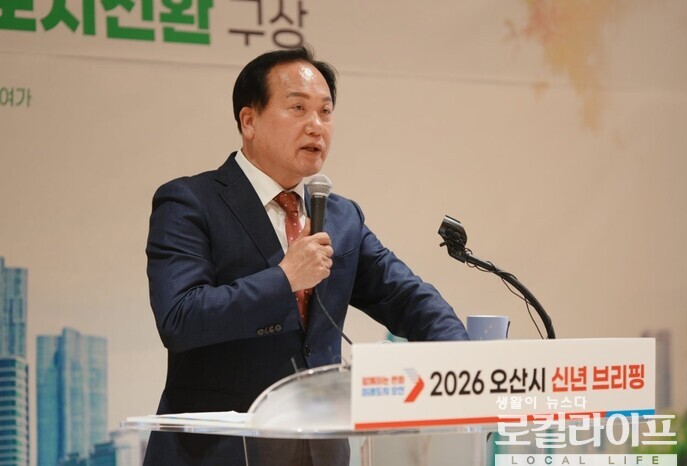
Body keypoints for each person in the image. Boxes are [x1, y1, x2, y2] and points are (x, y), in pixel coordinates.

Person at [144, 45, 469, 466]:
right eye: (298, 108)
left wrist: (466, 364)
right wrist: (284, 279)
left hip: (319, 451)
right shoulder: (191, 202)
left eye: (325, 112)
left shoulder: (340, 216)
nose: (316, 126)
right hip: (220, 451)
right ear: (249, 121)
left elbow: (405, 297)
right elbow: (180, 319)